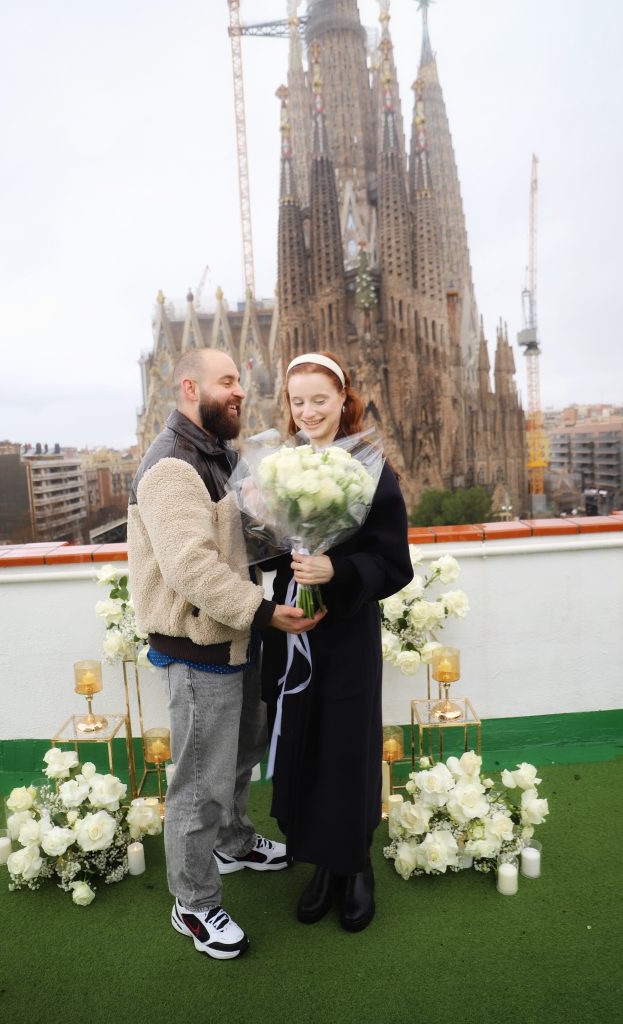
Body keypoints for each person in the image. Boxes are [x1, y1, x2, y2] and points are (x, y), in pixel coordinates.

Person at [128, 347, 323, 961]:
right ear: (190, 387)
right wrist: (267, 611)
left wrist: (300, 531)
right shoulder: (172, 466)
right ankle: (193, 901)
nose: (241, 391)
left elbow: (237, 547)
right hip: (197, 645)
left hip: (234, 636)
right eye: (228, 381)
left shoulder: (218, 456)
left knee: (240, 752)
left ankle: (233, 842)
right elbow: (191, 568)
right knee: (198, 781)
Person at [261, 351, 413, 933]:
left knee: (347, 747)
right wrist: (265, 524)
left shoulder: (371, 468)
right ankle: (318, 862)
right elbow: (275, 547)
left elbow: (393, 563)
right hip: (292, 629)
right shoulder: (280, 465)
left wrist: (337, 573)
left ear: (343, 400)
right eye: (297, 402)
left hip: (346, 631)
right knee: (303, 741)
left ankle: (355, 866)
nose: (307, 412)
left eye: (319, 400)